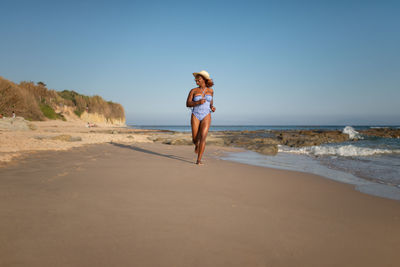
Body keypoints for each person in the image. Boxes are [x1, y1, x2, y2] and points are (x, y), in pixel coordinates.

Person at [186, 70, 216, 165]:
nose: (196, 81)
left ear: (203, 79)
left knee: (203, 137)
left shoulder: (211, 91)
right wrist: (198, 102)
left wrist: (212, 107)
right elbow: (188, 104)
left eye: (198, 79)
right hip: (195, 114)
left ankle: (199, 160)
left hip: (206, 115)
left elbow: (210, 102)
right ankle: (196, 144)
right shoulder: (193, 90)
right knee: (195, 139)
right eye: (195, 79)